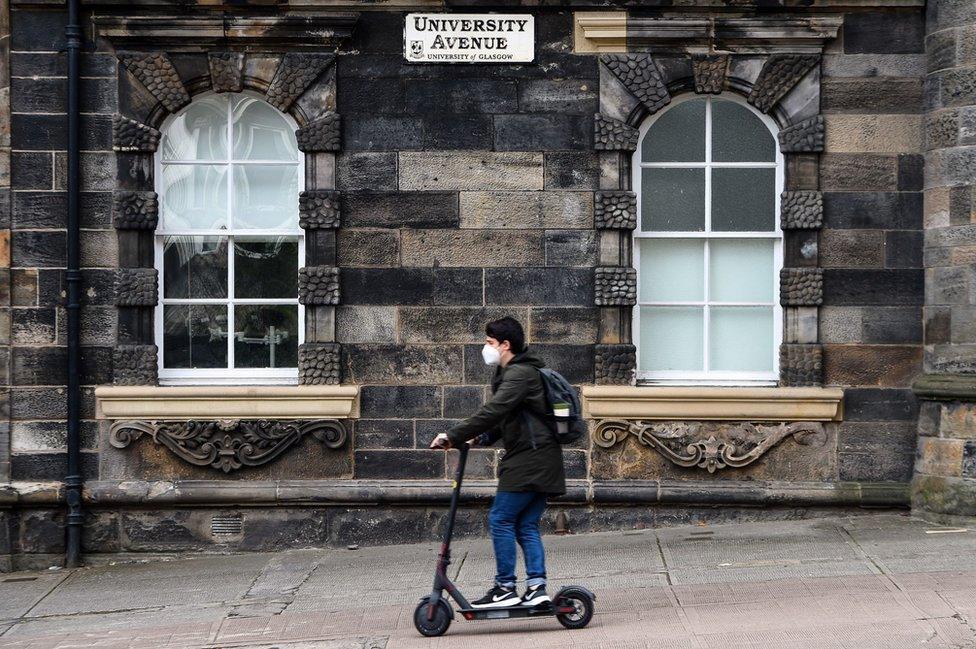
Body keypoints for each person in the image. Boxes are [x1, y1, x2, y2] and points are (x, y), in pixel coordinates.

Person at [430, 316, 566, 609]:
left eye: (490, 342)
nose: (486, 347)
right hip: (541, 458)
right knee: (525, 524)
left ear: (506, 345)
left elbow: (494, 410)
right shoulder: (515, 374)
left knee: (501, 519)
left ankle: (505, 587)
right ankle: (536, 588)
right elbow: (509, 419)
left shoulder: (520, 375)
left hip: (530, 461)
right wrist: (480, 439)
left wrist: (451, 436)